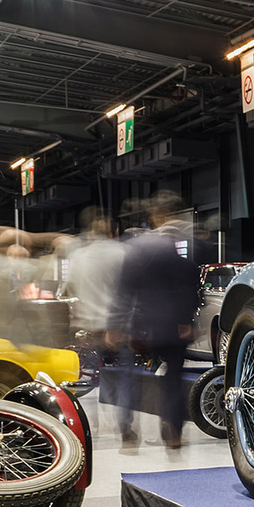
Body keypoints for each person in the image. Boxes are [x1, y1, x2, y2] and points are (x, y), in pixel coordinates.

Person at [108, 192, 202, 451]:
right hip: (173, 326)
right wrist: (186, 321)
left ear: (153, 216)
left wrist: (115, 324)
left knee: (128, 375)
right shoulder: (181, 242)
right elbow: (190, 286)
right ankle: (172, 429)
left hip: (140, 325)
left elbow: (123, 289)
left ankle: (127, 427)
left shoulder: (137, 246)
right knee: (172, 378)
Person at [59, 208, 134, 444]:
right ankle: (125, 428)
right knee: (124, 375)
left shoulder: (79, 257)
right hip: (118, 325)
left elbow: (69, 289)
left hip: (89, 326)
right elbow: (130, 290)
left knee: (88, 378)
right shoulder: (123, 252)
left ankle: (89, 429)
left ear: (90, 231)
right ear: (114, 231)